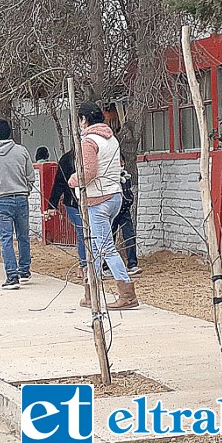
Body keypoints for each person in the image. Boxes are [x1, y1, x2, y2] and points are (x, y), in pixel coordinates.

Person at [68, 102, 138, 310]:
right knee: (96, 248)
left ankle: (127, 295)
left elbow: (88, 173)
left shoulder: (89, 141)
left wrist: (73, 180)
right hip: (114, 195)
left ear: (83, 120)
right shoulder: (111, 139)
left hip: (97, 199)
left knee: (105, 248)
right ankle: (91, 292)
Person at [0, 119, 35, 290]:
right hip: (21, 197)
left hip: (1, 199)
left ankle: (12, 276)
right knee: (24, 235)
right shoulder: (21, 151)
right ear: (10, 132)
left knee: (6, 238)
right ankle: (24, 270)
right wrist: (26, 190)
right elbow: (30, 176)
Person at [44, 149, 86, 279]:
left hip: (94, 201)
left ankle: (98, 265)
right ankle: (84, 265)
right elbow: (59, 183)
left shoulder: (96, 155)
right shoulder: (67, 159)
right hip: (73, 203)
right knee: (83, 232)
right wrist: (52, 205)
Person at [103, 155, 141, 276]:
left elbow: (128, 192)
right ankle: (106, 266)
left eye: (121, 161)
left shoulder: (125, 175)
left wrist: (129, 200)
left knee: (129, 235)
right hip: (113, 211)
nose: (120, 164)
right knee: (110, 237)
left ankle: (132, 263)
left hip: (124, 210)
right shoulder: (109, 176)